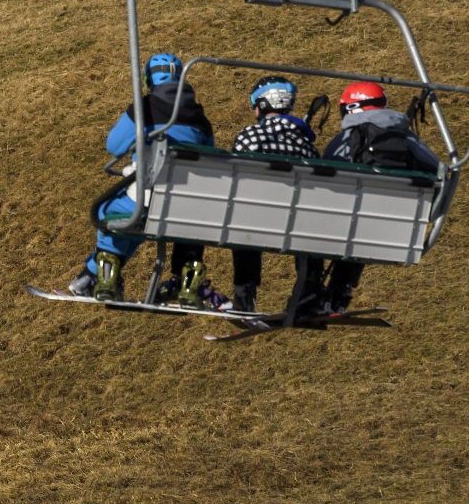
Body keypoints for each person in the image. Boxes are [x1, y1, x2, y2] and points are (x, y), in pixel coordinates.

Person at [68, 53, 224, 307]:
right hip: (186, 205)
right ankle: (189, 284)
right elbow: (210, 160)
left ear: (149, 78)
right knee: (176, 223)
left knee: (112, 211)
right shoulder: (200, 119)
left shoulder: (144, 109)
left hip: (146, 198)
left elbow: (114, 145)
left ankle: (105, 278)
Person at [309, 80, 441, 314]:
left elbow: (326, 177)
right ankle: (342, 291)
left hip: (343, 221)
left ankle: (312, 293)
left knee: (347, 226)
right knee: (362, 231)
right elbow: (438, 171)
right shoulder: (406, 140)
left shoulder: (344, 141)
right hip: (394, 226)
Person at [228, 76, 320, 313]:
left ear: (260, 106)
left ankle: (244, 297)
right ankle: (307, 292)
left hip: (255, 218)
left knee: (244, 221)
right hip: (299, 221)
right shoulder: (307, 145)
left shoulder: (249, 136)